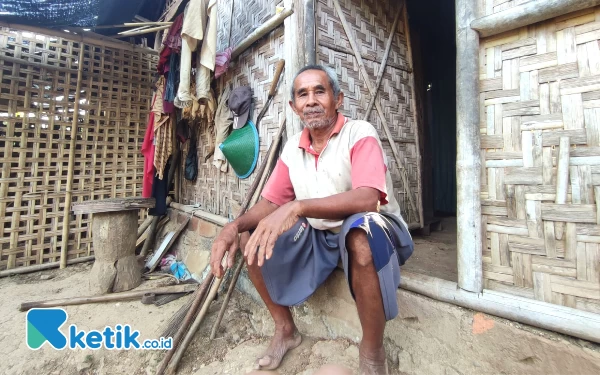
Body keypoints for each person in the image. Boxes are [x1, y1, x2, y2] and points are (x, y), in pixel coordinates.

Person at [210, 64, 414, 375]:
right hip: (321, 233)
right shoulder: (294, 148)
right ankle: (285, 330)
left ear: (338, 99)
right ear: (294, 107)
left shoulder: (359, 133)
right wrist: (233, 226)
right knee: (249, 237)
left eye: (320, 91)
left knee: (359, 238)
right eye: (302, 95)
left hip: (373, 228)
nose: (311, 100)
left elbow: (367, 199)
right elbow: (270, 203)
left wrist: (299, 207)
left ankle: (373, 353)